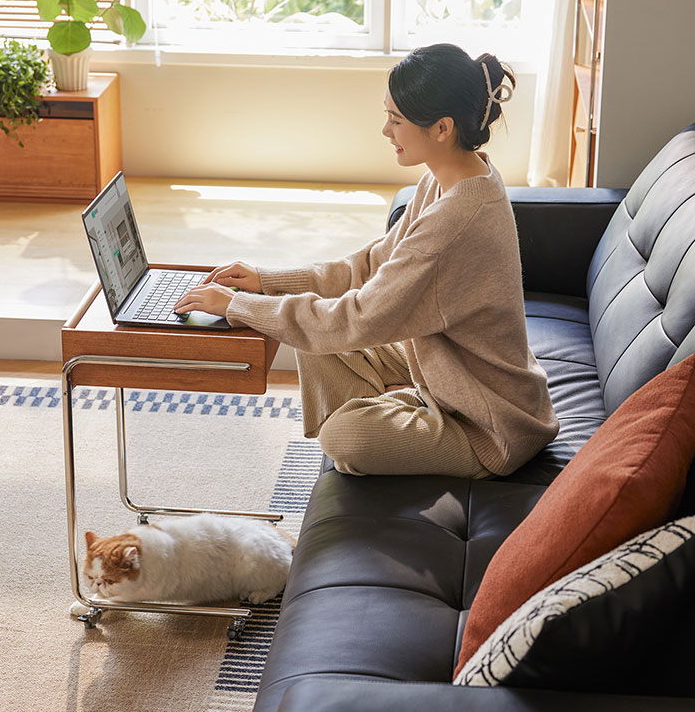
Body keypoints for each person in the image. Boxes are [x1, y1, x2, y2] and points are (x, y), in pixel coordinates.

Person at [173, 43, 559, 478]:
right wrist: (268, 280)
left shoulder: (455, 221)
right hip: (443, 365)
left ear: (441, 128)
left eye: (395, 120)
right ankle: (400, 405)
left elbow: (357, 318)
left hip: (489, 425)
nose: (385, 131)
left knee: (345, 438)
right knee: (311, 336)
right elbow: (373, 265)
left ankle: (396, 412)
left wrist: (238, 306)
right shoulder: (456, 177)